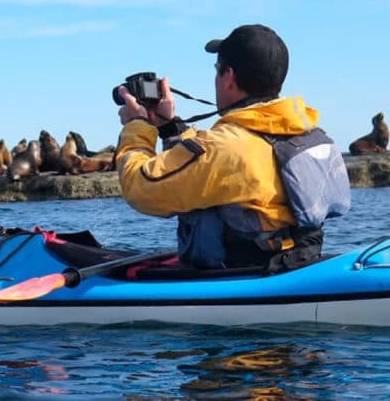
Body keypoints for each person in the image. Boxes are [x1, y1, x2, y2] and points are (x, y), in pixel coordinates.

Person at [114, 24, 350, 271]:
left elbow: (141, 188)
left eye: (217, 71)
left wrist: (137, 126)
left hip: (239, 276)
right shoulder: (304, 133)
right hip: (296, 261)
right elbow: (207, 166)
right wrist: (171, 128)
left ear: (228, 77)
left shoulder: (225, 147)